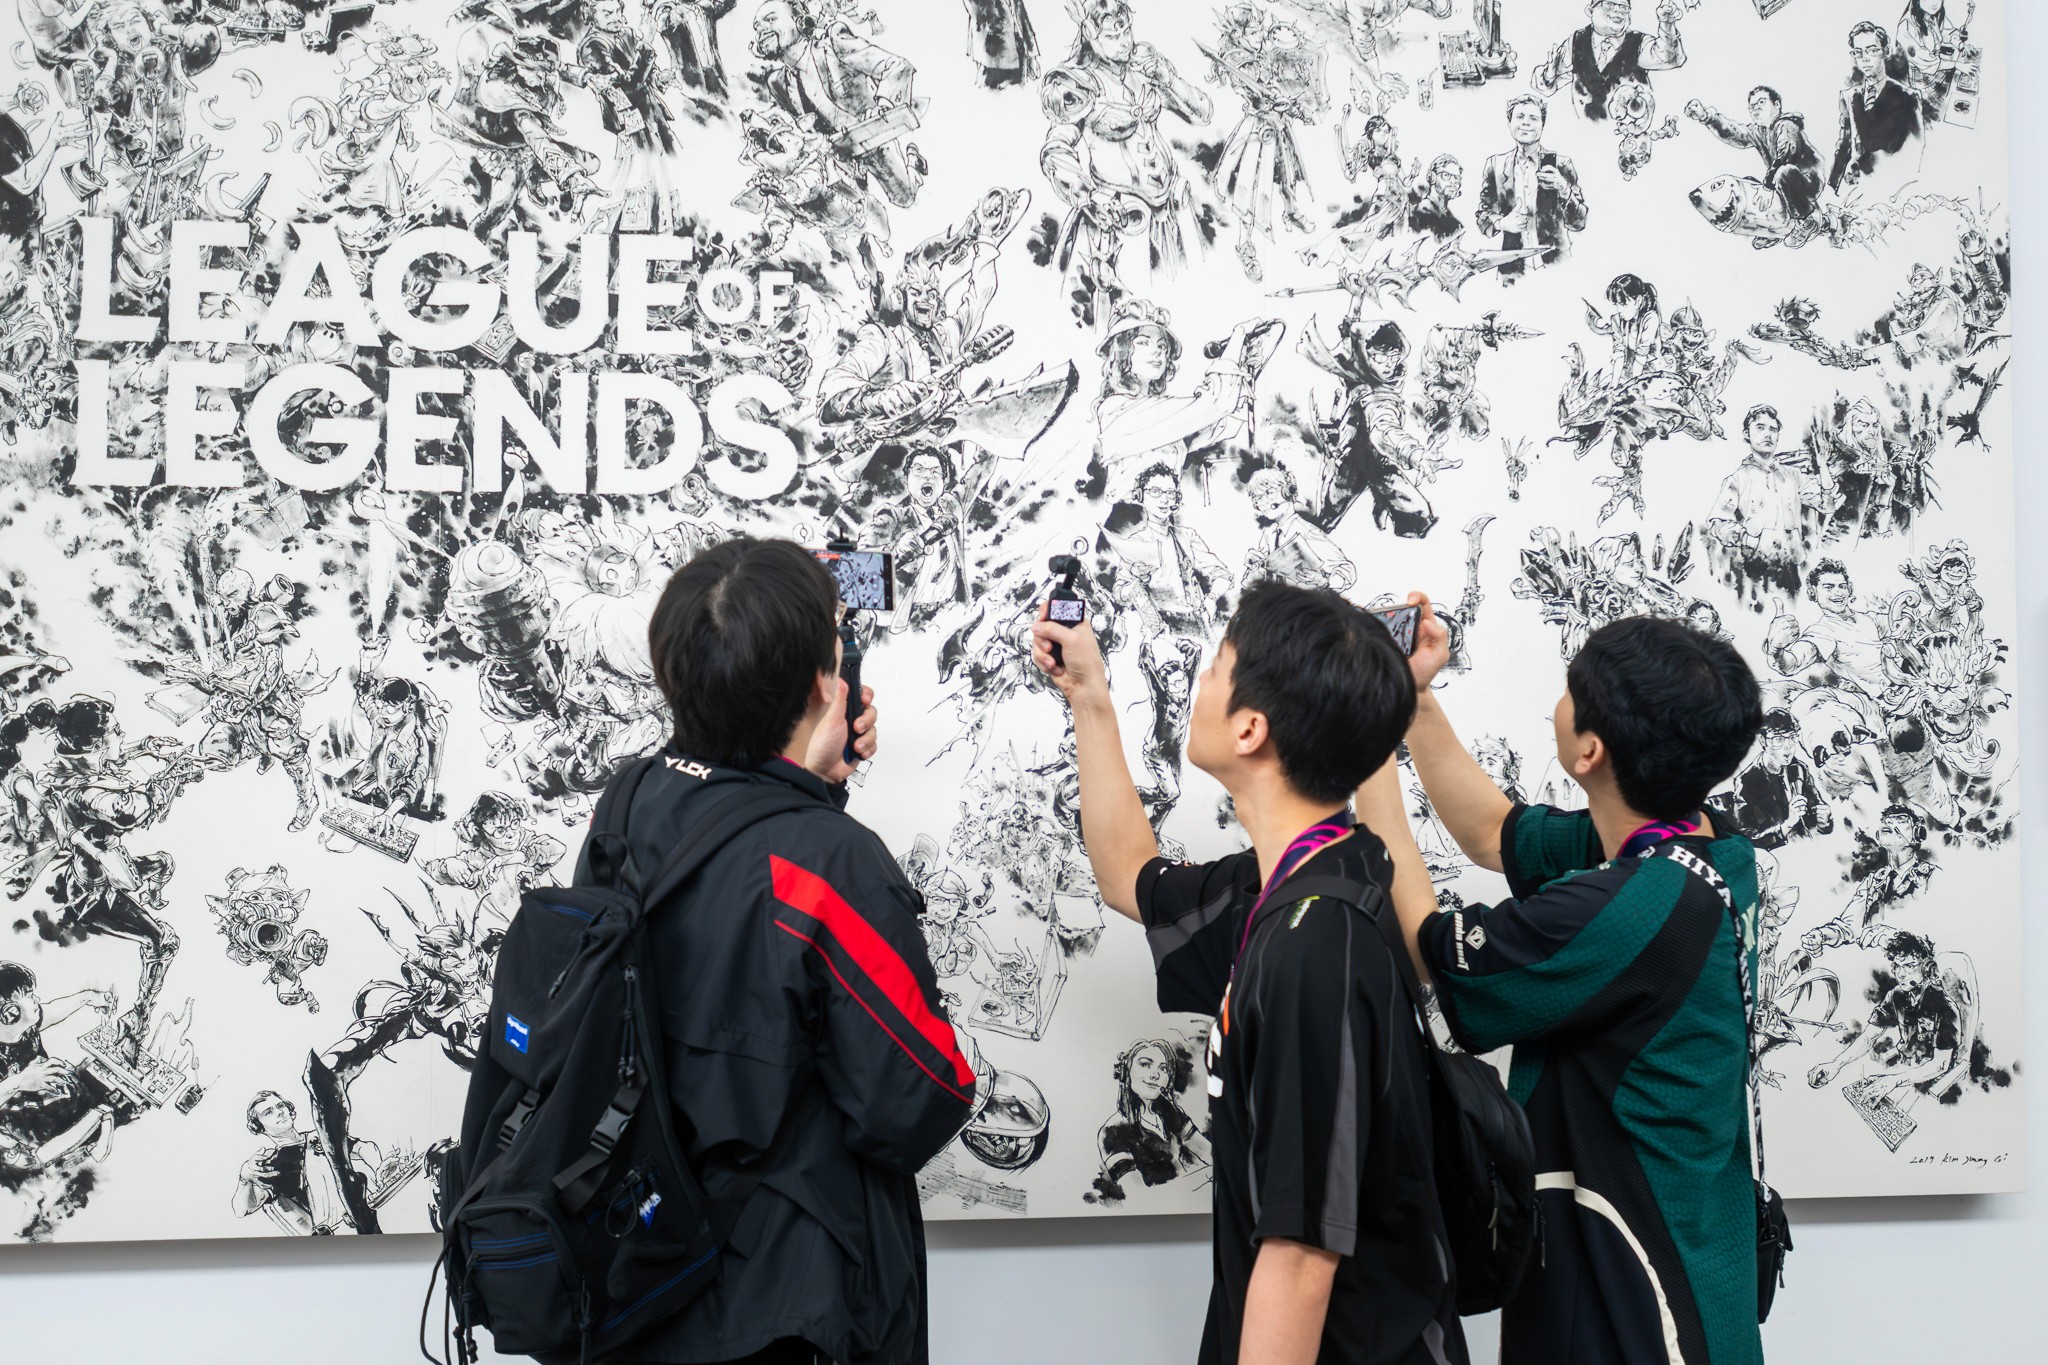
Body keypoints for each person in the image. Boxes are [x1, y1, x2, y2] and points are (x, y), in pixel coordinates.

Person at [1031, 581, 1466, 1365]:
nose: (1199, 682)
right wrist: (1089, 697)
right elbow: (1128, 872)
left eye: (1215, 667)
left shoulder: (1316, 943)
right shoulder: (1288, 884)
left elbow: (1302, 1259)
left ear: (1251, 727)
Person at [610, 538, 985, 1365]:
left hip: (635, 1275)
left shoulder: (631, 800)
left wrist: (814, 781)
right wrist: (819, 808)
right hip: (782, 1309)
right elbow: (918, 1099)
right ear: (825, 684)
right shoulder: (826, 861)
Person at [1383, 601, 1766, 1365]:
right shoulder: (1709, 848)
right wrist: (1413, 697)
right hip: (1695, 1269)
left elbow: (1429, 947)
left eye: (1569, 693)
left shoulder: (1631, 908)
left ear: (1589, 748)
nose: (1558, 702)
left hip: (1634, 1299)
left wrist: (1362, 751)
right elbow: (1493, 831)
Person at [1477, 95, 1589, 284]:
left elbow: (1579, 222)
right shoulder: (1495, 165)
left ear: (1542, 125)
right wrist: (1501, 223)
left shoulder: (1562, 164)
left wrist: (1564, 188)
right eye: (1519, 117)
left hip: (1557, 265)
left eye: (1533, 118)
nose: (1526, 123)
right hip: (1512, 268)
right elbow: (1482, 214)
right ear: (1509, 123)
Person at [1686, 86, 1825, 228]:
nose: (1755, 108)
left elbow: (1786, 154)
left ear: (1776, 105)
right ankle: (1772, 228)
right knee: (1750, 184)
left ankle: (1808, 221)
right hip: (1781, 184)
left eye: (1761, 102)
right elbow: (1734, 133)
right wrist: (1706, 117)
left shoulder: (1786, 125)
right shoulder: (1759, 132)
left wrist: (1767, 186)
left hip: (1807, 181)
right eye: (1752, 106)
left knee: (1783, 173)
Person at [1533, 0, 1687, 123]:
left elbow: (1670, 58)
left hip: (1628, 133)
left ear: (1630, 17)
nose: (1618, 10)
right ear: (1590, 10)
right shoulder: (1576, 41)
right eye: (1608, 4)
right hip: (1584, 134)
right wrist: (1549, 74)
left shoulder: (1638, 42)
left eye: (1623, 7)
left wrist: (1667, 25)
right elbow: (1547, 86)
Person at [1831, 22, 1922, 190]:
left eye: (1872, 50)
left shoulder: (1906, 97)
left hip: (1890, 186)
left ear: (1885, 52)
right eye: (1858, 52)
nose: (1865, 58)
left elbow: (1916, 152)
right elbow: (1844, 146)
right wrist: (1832, 187)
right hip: (1854, 187)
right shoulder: (1849, 96)